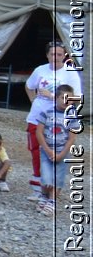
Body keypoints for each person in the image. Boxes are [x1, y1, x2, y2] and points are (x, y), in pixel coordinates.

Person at [24, 41, 81, 197]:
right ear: (47, 55)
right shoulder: (40, 70)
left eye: (59, 54)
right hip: (37, 117)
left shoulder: (70, 72)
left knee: (56, 153)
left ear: (64, 56)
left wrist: (56, 98)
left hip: (59, 121)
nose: (55, 57)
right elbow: (29, 86)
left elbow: (77, 97)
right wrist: (33, 100)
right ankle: (38, 187)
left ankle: (53, 189)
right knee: (36, 151)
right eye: (52, 54)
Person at [38, 84, 80, 215]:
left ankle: (52, 201)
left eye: (70, 99)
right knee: (46, 177)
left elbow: (72, 138)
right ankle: (44, 195)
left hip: (63, 151)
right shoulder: (46, 112)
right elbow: (39, 132)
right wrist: (47, 150)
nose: (66, 101)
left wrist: (62, 154)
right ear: (56, 97)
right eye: (63, 98)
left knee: (58, 178)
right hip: (46, 150)